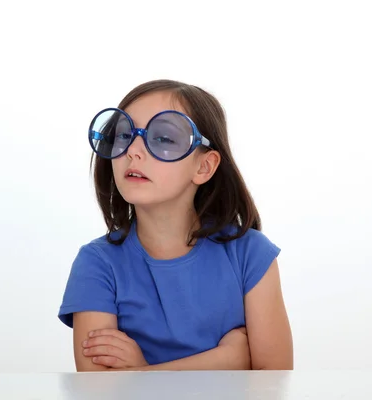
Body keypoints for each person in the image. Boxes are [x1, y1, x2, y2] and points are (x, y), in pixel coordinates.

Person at [58, 79, 293, 371]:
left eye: (163, 139)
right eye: (124, 136)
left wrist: (140, 373)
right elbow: (98, 389)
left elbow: (273, 383)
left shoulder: (250, 255)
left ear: (204, 166)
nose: (133, 150)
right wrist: (226, 359)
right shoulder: (96, 263)